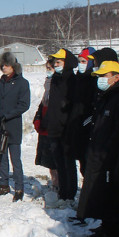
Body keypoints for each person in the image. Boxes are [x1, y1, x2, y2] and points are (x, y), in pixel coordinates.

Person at [76, 60, 119, 237]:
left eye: (104, 76)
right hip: (99, 155)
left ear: (116, 77)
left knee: (113, 201)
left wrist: (109, 153)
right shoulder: (107, 95)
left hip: (111, 158)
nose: (100, 80)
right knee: (102, 197)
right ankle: (106, 230)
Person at [0, 52, 30, 202]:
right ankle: (4, 185)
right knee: (2, 158)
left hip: (13, 126)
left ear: (14, 66)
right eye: (2, 65)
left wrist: (8, 115)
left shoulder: (22, 83)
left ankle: (19, 188)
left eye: (7, 65)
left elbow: (24, 105)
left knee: (15, 159)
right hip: (0, 126)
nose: (4, 68)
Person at [44, 48, 78, 200]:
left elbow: (73, 106)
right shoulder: (56, 79)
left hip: (67, 129)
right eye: (55, 62)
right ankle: (62, 191)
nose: (56, 64)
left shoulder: (72, 80)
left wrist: (69, 126)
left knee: (68, 163)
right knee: (58, 162)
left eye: (59, 62)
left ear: (67, 63)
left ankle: (70, 193)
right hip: (54, 128)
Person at [64, 47, 97, 176]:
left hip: (87, 126)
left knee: (88, 163)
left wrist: (87, 120)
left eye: (84, 61)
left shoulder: (94, 80)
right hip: (76, 123)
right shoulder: (78, 78)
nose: (80, 64)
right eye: (80, 61)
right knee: (81, 162)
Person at [33, 58, 58, 191]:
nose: (48, 72)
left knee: (55, 161)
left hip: (53, 127)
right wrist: (38, 118)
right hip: (44, 127)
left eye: (50, 68)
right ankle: (54, 183)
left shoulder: (58, 84)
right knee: (49, 161)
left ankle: (58, 184)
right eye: (47, 68)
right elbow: (44, 103)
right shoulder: (47, 83)